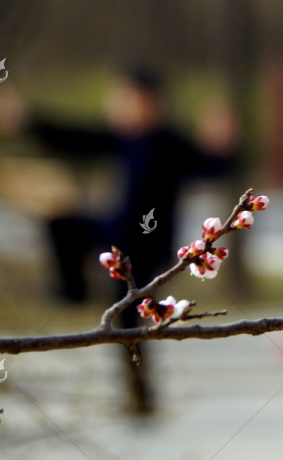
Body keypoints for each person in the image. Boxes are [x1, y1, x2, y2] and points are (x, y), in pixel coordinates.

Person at [1, 66, 236, 414]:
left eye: (125, 100)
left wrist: (223, 144)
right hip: (115, 232)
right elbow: (75, 138)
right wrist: (28, 121)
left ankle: (141, 394)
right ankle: (73, 290)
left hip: (146, 245)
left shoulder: (170, 143)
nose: (118, 107)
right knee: (61, 224)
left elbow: (212, 166)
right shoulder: (124, 138)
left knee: (128, 323)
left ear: (150, 102)